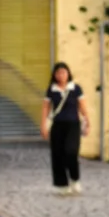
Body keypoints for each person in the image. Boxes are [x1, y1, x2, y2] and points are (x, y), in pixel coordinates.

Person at [41, 62, 90, 195]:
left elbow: (82, 107)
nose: (61, 75)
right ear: (54, 75)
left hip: (73, 125)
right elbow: (46, 108)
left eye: (63, 72)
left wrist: (87, 122)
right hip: (57, 125)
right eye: (58, 73)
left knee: (71, 152)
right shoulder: (51, 90)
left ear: (68, 73)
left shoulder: (76, 89)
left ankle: (75, 178)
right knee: (57, 155)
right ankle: (61, 184)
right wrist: (43, 125)